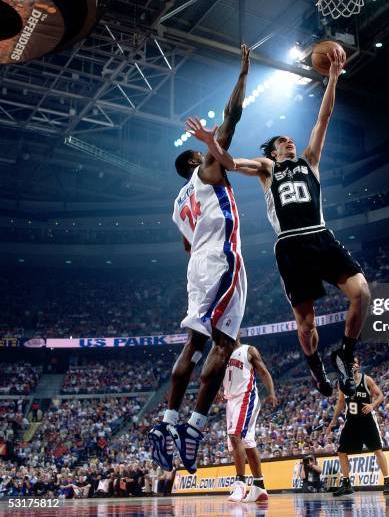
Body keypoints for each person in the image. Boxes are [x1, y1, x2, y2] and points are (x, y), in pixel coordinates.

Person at [193, 49, 370, 397]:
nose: (289, 141)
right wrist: (211, 143)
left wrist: (333, 76)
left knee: (362, 294)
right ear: (274, 151)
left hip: (320, 236)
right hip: (290, 244)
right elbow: (229, 163)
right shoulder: (267, 168)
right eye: (281, 141)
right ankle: (315, 364)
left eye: (289, 139)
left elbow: (324, 118)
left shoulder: (310, 160)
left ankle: (345, 356)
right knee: (306, 326)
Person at [148, 44, 251, 474]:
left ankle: (170, 420)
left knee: (196, 342)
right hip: (222, 260)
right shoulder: (207, 169)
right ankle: (191, 425)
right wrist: (243, 73)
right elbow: (232, 120)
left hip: (198, 267)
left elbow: (187, 246)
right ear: (197, 159)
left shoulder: (177, 203)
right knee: (223, 344)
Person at [326, 356, 389, 496]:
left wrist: (372, 405)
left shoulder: (366, 379)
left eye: (354, 363)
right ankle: (346, 484)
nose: (352, 366)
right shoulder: (343, 383)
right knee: (341, 451)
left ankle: (387, 482)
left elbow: (380, 395)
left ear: (358, 365)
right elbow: (340, 402)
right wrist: (333, 420)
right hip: (351, 422)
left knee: (377, 450)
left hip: (367, 420)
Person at [223, 338, 278, 503]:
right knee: (246, 443)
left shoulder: (249, 350)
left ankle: (240, 484)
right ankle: (259, 487)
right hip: (230, 401)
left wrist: (272, 392)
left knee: (235, 436)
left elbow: (263, 372)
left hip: (246, 397)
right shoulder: (222, 353)